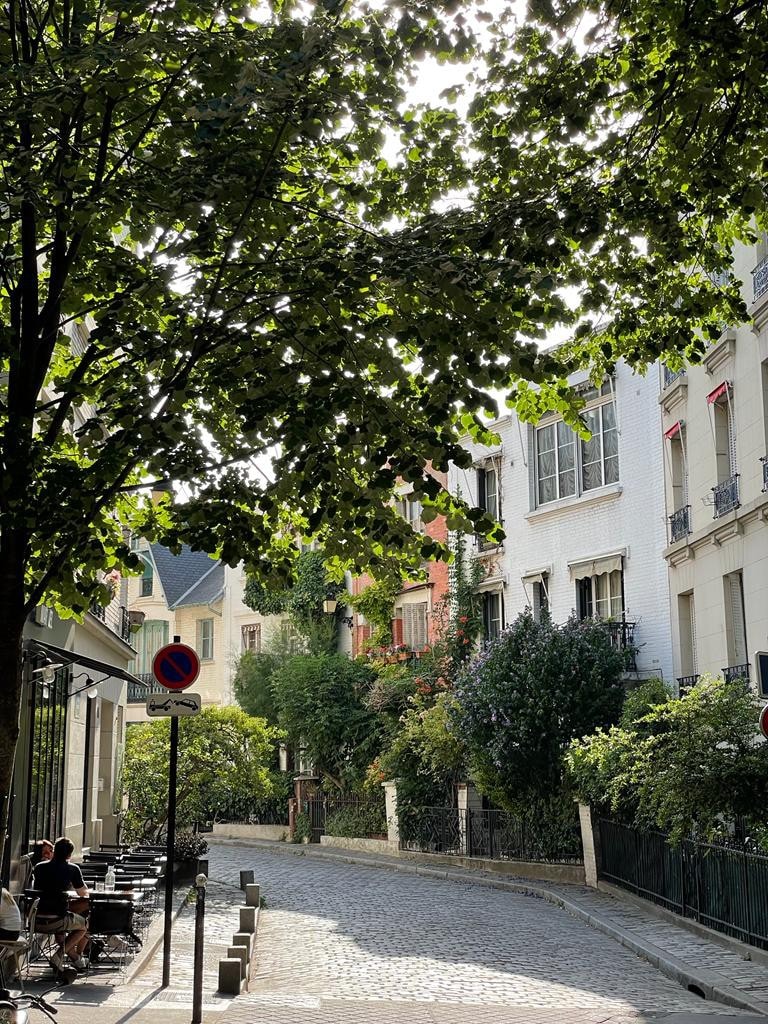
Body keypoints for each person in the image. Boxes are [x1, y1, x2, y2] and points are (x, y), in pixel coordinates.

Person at [32, 836, 91, 971]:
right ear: (70, 854)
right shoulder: (72, 869)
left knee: (61, 932)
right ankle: (59, 956)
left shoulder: (39, 867)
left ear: (55, 851)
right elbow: (83, 893)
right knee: (84, 925)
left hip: (35, 919)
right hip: (58, 919)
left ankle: (76, 959)